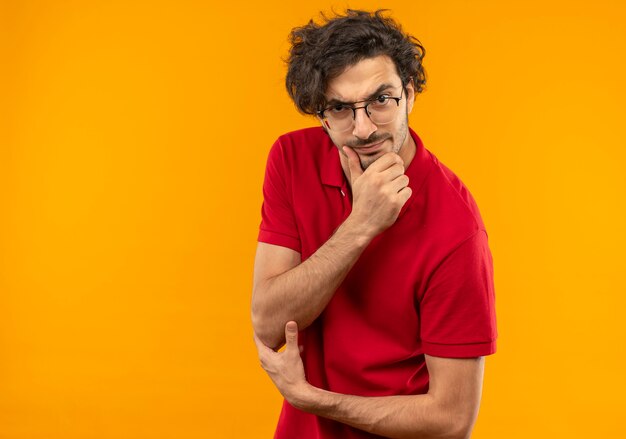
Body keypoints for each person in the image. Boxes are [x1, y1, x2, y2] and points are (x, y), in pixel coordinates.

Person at [251, 9, 497, 439]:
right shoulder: (292, 159)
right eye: (341, 108)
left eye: (381, 100)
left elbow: (453, 419)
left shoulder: (457, 229)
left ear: (410, 94)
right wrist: (360, 226)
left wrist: (312, 399)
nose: (363, 129)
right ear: (321, 113)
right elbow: (269, 323)